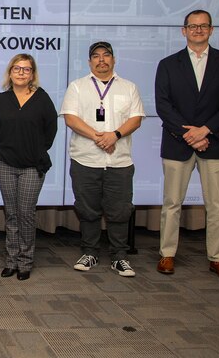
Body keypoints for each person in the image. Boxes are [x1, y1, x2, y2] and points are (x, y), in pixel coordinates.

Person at [155, 9, 219, 281]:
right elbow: (163, 105)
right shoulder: (168, 64)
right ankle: (167, 254)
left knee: (217, 205)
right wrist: (189, 135)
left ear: (211, 30)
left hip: (214, 143)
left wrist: (205, 131)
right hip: (177, 144)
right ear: (184, 31)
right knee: (172, 203)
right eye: (192, 26)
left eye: (203, 26)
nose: (197, 30)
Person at [60, 41, 144, 277]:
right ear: (90, 62)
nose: (101, 60)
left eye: (106, 55)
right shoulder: (77, 87)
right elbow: (70, 118)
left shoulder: (129, 88)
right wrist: (99, 137)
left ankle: (119, 256)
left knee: (120, 211)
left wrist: (114, 135)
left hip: (119, 161)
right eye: (96, 56)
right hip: (85, 160)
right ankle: (90, 252)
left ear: (114, 60)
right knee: (87, 210)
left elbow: (135, 119)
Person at [0, 54, 58, 281]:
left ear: (32, 74)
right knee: (11, 214)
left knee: (25, 214)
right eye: (16, 68)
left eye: (26, 69)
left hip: (32, 166)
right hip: (6, 165)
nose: (21, 73)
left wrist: (33, 150)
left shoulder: (42, 99)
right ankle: (11, 261)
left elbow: (50, 132)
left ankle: (25, 262)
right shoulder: (1, 99)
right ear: (10, 72)